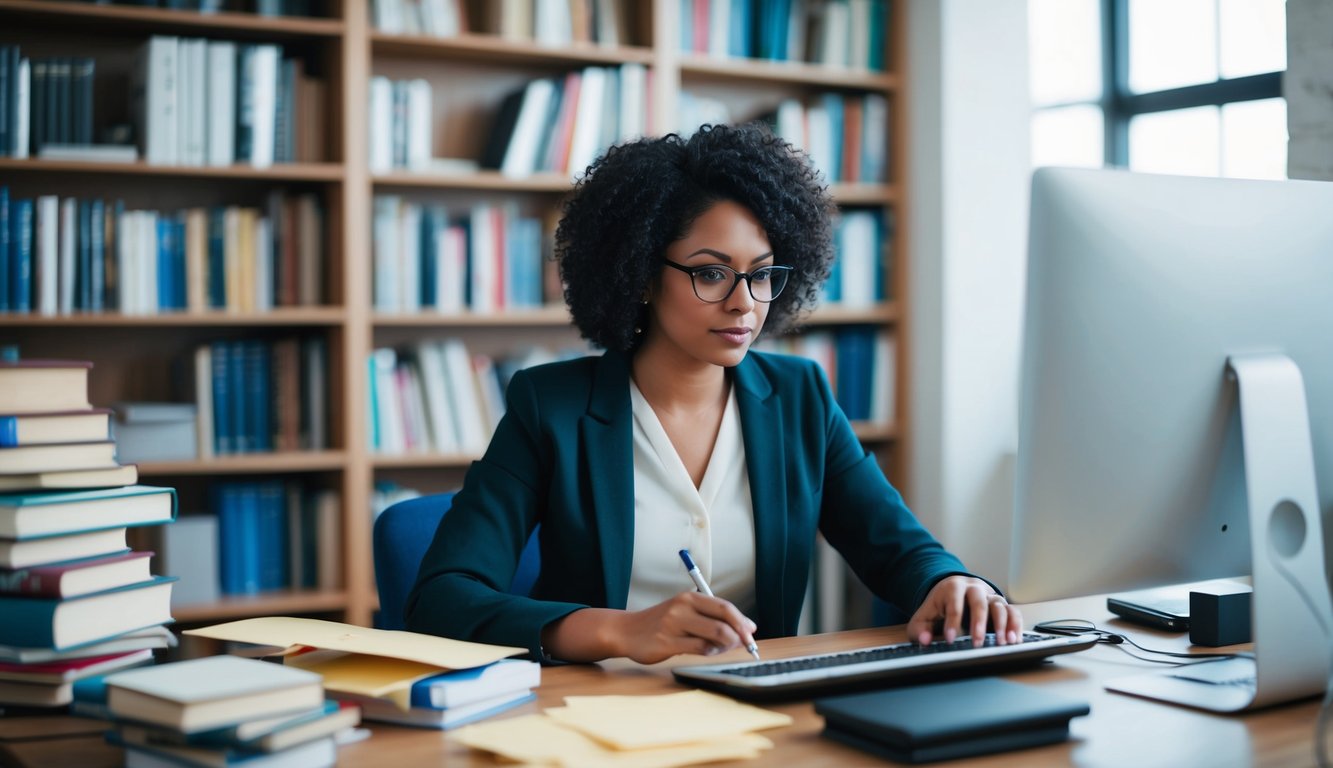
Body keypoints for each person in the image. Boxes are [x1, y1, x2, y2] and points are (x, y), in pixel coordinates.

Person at [405, 123, 1021, 664]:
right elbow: (442, 598)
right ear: (642, 273)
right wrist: (619, 632)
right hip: (594, 712)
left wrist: (952, 582)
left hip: (759, 711)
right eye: (710, 272)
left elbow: (899, 549)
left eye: (762, 274)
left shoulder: (800, 396)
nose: (744, 302)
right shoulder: (551, 408)